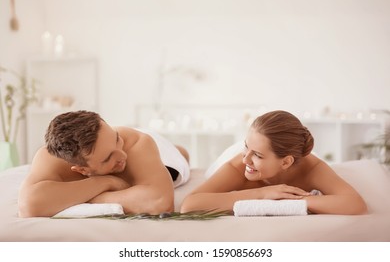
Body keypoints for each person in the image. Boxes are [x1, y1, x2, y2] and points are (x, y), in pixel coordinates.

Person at [180, 110, 367, 215]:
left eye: (258, 156)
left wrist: (294, 199)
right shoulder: (239, 163)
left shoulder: (312, 168)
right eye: (247, 147)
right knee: (180, 160)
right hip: (224, 161)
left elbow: (354, 203)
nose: (246, 159)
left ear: (286, 162)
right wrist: (263, 194)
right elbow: (190, 204)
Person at [18, 110, 190, 217]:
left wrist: (82, 197)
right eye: (107, 158)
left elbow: (159, 202)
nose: (122, 155)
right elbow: (28, 206)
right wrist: (104, 182)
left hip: (158, 151)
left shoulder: (136, 144)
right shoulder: (49, 157)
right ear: (81, 169)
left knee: (180, 153)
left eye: (117, 140)